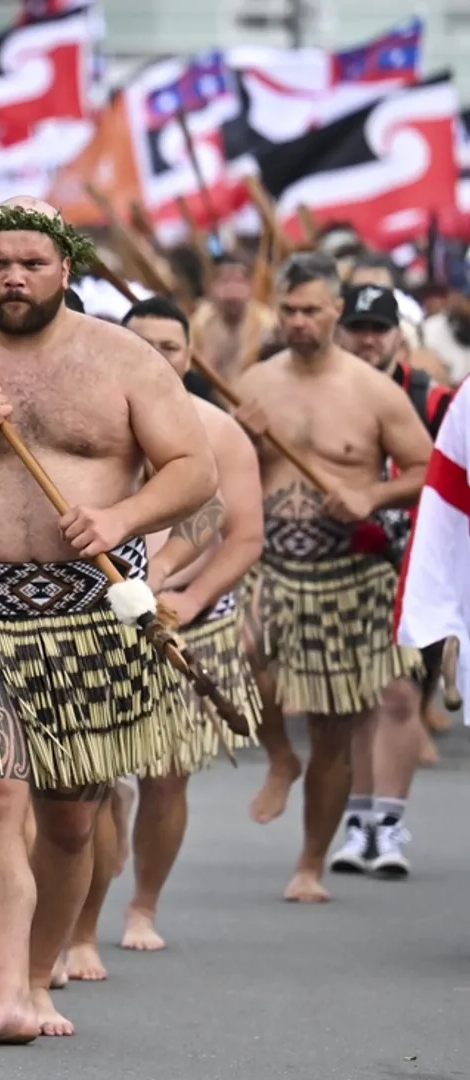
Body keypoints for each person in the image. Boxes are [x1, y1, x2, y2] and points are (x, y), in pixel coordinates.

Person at [0, 198, 217, 1044]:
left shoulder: (123, 358)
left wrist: (125, 518)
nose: (13, 277)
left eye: (31, 262)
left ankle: (35, 978)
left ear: (67, 270)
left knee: (69, 817)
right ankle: (2, 993)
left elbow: (194, 469)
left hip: (91, 618)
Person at [60, 296, 266, 977]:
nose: (157, 357)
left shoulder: (218, 430)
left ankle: (142, 904)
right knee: (90, 781)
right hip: (100, 614)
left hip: (185, 616)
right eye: (141, 343)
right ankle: (79, 931)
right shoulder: (90, 420)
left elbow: (240, 534)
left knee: (166, 776)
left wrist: (183, 593)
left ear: (189, 354)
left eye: (170, 347)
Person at [232, 253, 431, 903]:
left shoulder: (375, 392)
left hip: (347, 572)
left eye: (310, 310)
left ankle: (310, 863)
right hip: (269, 564)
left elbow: (428, 471)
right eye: (288, 310)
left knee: (334, 727)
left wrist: (371, 495)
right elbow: (221, 470)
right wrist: (242, 437)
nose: (298, 322)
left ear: (335, 313)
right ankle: (277, 757)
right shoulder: (256, 381)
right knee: (239, 656)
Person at [317, 282, 455, 878]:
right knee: (353, 700)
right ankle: (359, 819)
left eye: (379, 327)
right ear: (340, 329)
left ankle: (387, 824)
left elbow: (448, 474)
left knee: (399, 693)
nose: (368, 338)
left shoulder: (433, 398)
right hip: (336, 564)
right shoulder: (320, 393)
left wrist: (374, 495)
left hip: (408, 565)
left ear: (399, 333)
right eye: (357, 327)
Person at [188, 252, 277, 383]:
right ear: (211, 285)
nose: (232, 291)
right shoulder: (199, 322)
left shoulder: (266, 322)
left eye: (239, 281)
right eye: (224, 281)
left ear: (250, 285)